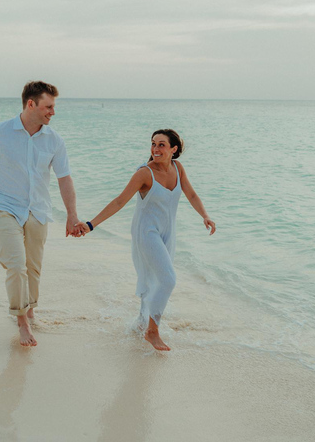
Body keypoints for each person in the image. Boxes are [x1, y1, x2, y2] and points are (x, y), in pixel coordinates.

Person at [0, 81, 84, 347]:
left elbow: (64, 179)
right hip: (4, 205)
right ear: (31, 104)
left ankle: (30, 309)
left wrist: (72, 215)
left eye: (54, 107)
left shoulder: (54, 140)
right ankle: (21, 320)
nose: (53, 113)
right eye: (48, 107)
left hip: (37, 209)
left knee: (33, 267)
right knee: (15, 264)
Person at [76, 129, 216, 351]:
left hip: (168, 233)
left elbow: (191, 194)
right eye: (153, 144)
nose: (155, 149)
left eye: (161, 145)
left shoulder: (178, 169)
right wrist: (91, 224)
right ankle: (152, 332)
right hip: (146, 232)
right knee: (168, 279)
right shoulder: (144, 173)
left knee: (154, 280)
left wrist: (205, 216)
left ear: (174, 149)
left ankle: (141, 324)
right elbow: (119, 201)